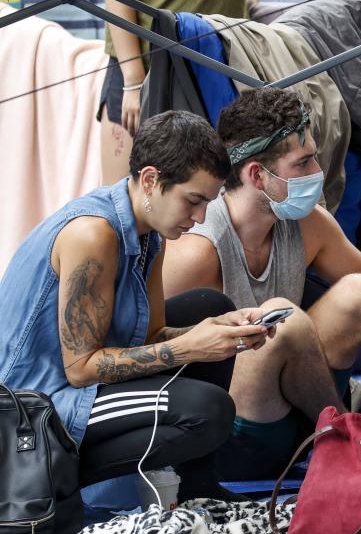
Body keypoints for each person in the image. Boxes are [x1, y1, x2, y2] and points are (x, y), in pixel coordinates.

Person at [162, 87, 361, 478]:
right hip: (235, 435)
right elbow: (159, 364)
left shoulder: (309, 224)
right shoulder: (197, 250)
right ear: (257, 175)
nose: (318, 171)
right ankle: (349, 442)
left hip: (302, 413)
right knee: (281, 320)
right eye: (303, 163)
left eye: (314, 156)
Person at [0, 111, 272, 499]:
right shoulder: (93, 234)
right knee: (209, 412)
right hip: (28, 415)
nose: (198, 218)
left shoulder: (150, 232)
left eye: (206, 204)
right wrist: (191, 346)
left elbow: (151, 336)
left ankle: (199, 489)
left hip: (73, 381)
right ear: (150, 180)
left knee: (207, 307)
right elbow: (81, 369)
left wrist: (222, 332)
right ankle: (50, 482)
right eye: (193, 201)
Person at [99, 0, 272, 184]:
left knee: (211, 198)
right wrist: (132, 81)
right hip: (145, 66)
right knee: (126, 199)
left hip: (220, 69)